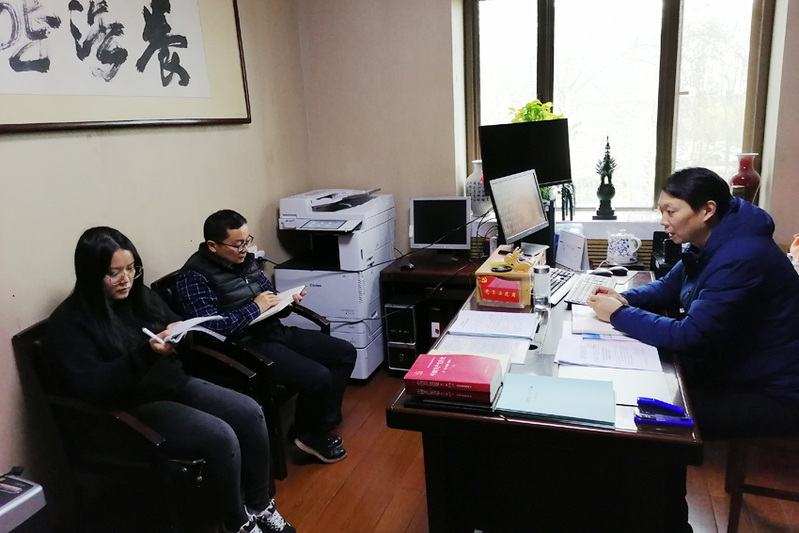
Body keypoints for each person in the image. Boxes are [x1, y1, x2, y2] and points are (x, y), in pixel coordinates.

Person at [587, 167, 799, 531]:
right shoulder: (714, 239)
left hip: (775, 392)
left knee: (658, 428)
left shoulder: (742, 257)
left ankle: (668, 523)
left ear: (707, 210)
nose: (663, 220)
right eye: (661, 210)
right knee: (645, 397)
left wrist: (619, 315)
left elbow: (691, 335)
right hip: (737, 366)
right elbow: (669, 288)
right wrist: (625, 298)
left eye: (671, 211)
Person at [47, 227, 295, 533]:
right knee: (221, 436)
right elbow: (93, 387)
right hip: (132, 408)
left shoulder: (141, 297)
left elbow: (175, 327)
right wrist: (146, 353)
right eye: (113, 273)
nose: (126, 279)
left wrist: (181, 333)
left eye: (131, 269)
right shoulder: (71, 323)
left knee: (250, 411)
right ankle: (236, 523)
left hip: (172, 384)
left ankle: (259, 505)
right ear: (90, 273)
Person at [176, 210, 357, 464]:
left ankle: (316, 424)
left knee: (344, 352)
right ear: (213, 246)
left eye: (246, 241)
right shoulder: (194, 276)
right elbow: (210, 328)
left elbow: (268, 294)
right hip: (244, 346)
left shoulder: (246, 261)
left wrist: (285, 301)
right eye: (237, 245)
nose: (244, 250)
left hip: (272, 331)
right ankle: (311, 435)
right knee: (317, 376)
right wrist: (255, 308)